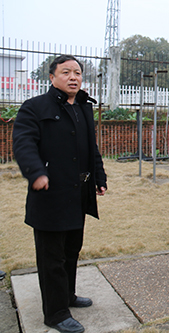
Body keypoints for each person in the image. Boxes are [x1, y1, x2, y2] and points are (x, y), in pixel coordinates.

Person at [12, 55, 107, 333]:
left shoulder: (82, 108)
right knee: (51, 257)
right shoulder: (34, 107)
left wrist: (99, 178)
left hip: (78, 194)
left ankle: (67, 296)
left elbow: (92, 149)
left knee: (70, 251)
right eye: (66, 72)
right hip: (51, 195)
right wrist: (36, 172)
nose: (73, 77)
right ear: (52, 77)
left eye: (77, 72)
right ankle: (54, 314)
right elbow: (23, 143)